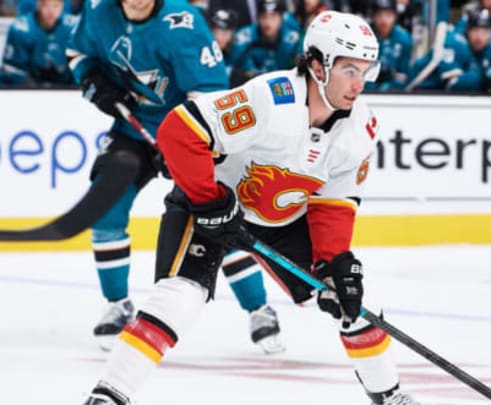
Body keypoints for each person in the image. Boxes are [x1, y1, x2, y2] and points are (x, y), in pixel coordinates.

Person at [82, 10, 421, 405]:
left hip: (283, 220)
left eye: (366, 70)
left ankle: (389, 395)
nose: (359, 84)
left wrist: (333, 262)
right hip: (210, 202)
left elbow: (334, 203)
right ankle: (108, 395)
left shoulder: (361, 130)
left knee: (354, 304)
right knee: (180, 297)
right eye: (348, 70)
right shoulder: (269, 98)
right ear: (316, 65)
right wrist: (208, 200)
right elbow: (179, 131)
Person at [66, 0, 283, 354]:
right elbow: (77, 53)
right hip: (133, 131)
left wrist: (187, 147)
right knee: (106, 207)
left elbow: (211, 99)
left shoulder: (183, 25)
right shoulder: (98, 10)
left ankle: (259, 308)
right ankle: (118, 304)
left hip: (188, 132)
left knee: (215, 220)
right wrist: (92, 79)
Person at [0, 0, 76, 86]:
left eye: (56, 6)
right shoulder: (21, 28)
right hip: (27, 90)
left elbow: (82, 64)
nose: (51, 11)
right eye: (46, 6)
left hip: (66, 89)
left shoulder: (74, 27)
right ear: (38, 5)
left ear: (62, 6)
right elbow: (11, 69)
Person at [228, 0, 300, 86]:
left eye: (273, 17)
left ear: (282, 18)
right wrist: (243, 75)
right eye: (264, 17)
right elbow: (226, 69)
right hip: (248, 88)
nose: (268, 23)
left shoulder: (293, 40)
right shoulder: (243, 38)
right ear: (257, 18)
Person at [365, 0, 412, 91]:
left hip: (393, 88)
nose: (384, 20)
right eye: (379, 15)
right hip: (366, 84)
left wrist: (389, 87)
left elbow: (403, 75)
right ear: (373, 16)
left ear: (395, 16)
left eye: (388, 15)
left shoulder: (404, 38)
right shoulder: (364, 36)